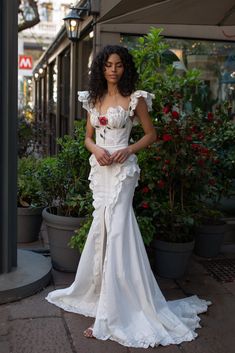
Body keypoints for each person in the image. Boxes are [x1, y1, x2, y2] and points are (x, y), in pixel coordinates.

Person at [46, 45, 211, 348]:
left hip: (123, 171)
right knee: (102, 228)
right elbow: (87, 137)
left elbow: (151, 134)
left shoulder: (135, 98)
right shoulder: (94, 98)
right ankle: (101, 293)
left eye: (119, 65)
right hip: (101, 170)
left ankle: (110, 315)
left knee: (119, 228)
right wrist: (96, 150)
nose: (113, 70)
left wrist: (127, 150)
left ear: (125, 68)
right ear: (101, 68)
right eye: (108, 65)